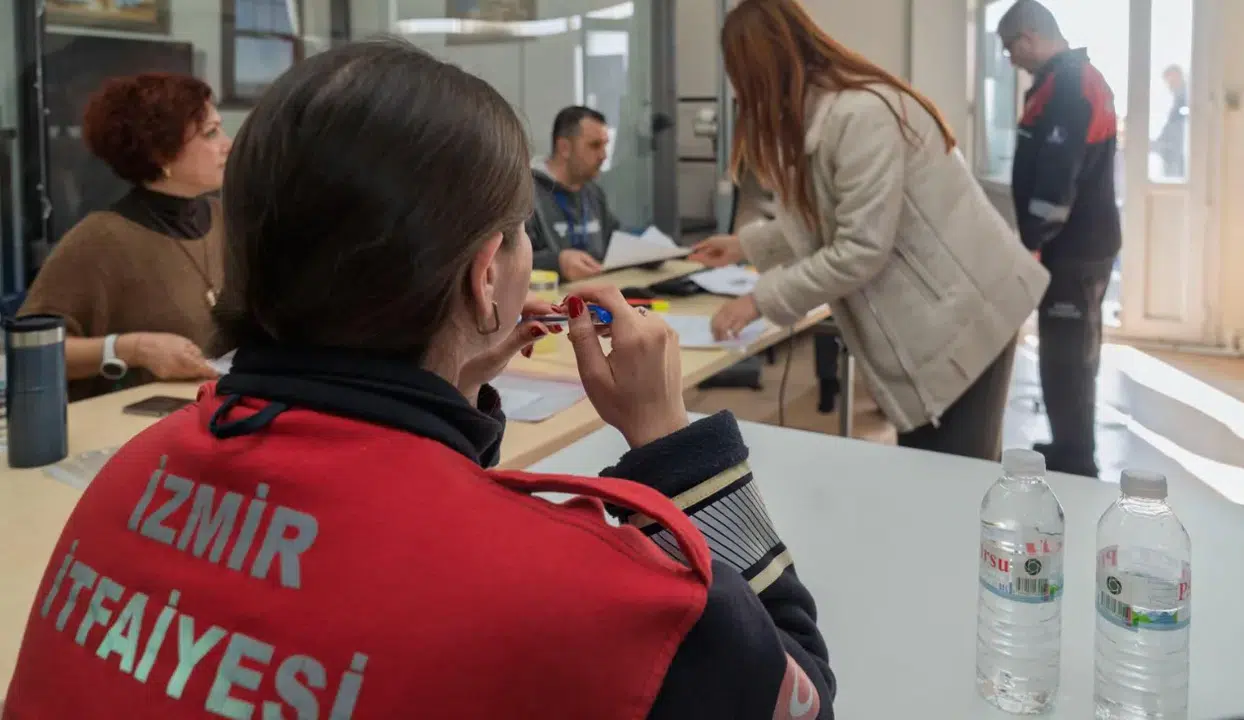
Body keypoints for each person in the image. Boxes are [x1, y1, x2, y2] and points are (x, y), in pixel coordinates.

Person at [2, 40, 834, 720]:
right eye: (520, 236)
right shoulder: (579, 590)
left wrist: (455, 383)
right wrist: (671, 443)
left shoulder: (127, 479)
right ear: (485, 277)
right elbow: (802, 698)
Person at [691, 0, 1048, 462]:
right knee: (945, 474)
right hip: (946, 317)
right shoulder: (827, 117)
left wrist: (757, 301)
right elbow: (833, 218)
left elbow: (860, 248)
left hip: (966, 319)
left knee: (949, 479)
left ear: (763, 70)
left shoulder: (859, 115)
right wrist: (744, 245)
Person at [17, 72, 231, 400]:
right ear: (161, 153)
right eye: (211, 133)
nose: (228, 144)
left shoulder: (226, 218)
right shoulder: (98, 240)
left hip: (227, 410)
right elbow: (30, 354)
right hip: (139, 424)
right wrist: (132, 349)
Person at [999, 0, 1122, 477]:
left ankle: (1077, 461)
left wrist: (1032, 240)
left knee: (1068, 357)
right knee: (1066, 352)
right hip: (1077, 246)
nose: (1010, 59)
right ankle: (1069, 444)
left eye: (1010, 47)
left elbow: (1057, 179)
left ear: (1028, 38)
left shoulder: (1070, 86)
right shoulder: (1065, 80)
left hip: (1074, 249)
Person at [527, 106, 621, 281]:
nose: (603, 155)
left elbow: (616, 244)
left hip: (596, 291)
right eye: (595, 145)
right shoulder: (525, 194)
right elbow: (505, 261)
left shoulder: (594, 193)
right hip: (548, 296)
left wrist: (650, 255)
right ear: (564, 148)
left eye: (605, 145)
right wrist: (556, 264)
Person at [1154, 64, 1189, 179]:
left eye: (1172, 81)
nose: (1170, 86)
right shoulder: (1179, 102)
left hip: (1179, 154)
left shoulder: (1186, 101)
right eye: (1168, 82)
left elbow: (1176, 126)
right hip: (1173, 153)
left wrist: (1159, 144)